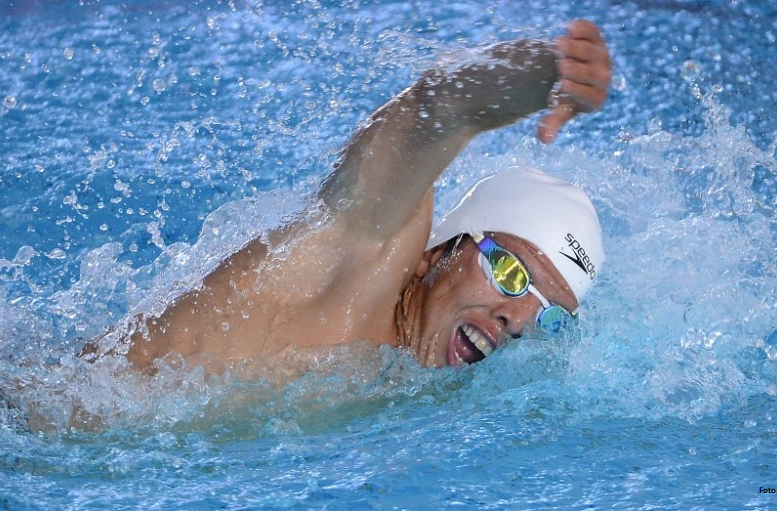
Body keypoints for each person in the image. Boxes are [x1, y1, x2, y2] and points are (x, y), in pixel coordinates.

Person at [83, 20, 612, 373]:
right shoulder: (360, 258)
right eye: (512, 274)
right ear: (438, 251)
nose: (516, 321)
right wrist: (546, 71)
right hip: (35, 431)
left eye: (548, 317)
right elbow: (443, 105)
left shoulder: (405, 382)